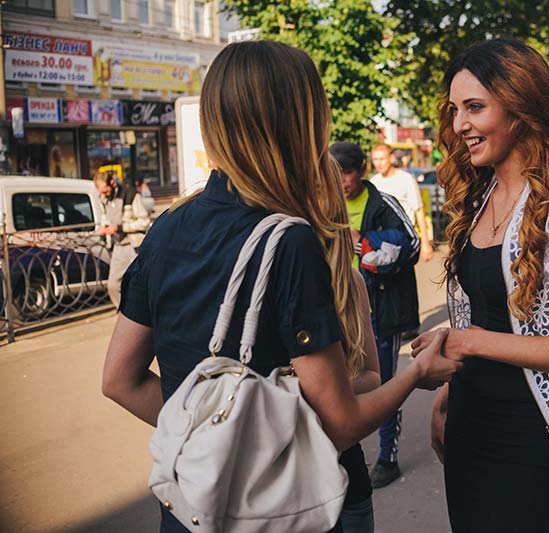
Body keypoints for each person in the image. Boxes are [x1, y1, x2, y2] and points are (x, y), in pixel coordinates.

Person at [100, 40, 461, 533]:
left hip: (195, 505)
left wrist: (212, 438)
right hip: (292, 509)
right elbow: (340, 421)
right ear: (300, 124)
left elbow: (119, 380)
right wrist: (416, 372)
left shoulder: (168, 226)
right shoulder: (289, 241)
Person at [411, 38, 549, 533]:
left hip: (532, 434)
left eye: (474, 107)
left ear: (520, 106)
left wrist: (465, 342)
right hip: (468, 423)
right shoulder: (480, 192)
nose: (460, 124)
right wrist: (448, 393)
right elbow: (481, 312)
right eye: (455, 110)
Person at [331, 142, 421, 490]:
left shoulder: (383, 204)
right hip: (337, 314)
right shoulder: (324, 204)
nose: (341, 181)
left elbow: (411, 243)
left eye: (347, 172)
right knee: (336, 386)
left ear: (361, 170)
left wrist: (363, 242)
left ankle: (387, 456)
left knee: (383, 384)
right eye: (334, 173)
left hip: (379, 313)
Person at [370, 144, 434, 262]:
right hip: (382, 242)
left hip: (404, 239)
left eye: (382, 159)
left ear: (391, 158)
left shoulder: (406, 179)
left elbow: (419, 210)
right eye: (375, 160)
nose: (379, 163)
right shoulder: (373, 182)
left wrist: (425, 243)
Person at [94, 171, 139, 309]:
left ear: (112, 183)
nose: (104, 194)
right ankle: (124, 313)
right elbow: (105, 219)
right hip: (118, 246)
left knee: (140, 283)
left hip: (134, 245)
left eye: (106, 190)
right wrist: (103, 227)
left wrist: (119, 228)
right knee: (113, 285)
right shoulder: (103, 200)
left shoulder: (130, 195)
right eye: (101, 192)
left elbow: (144, 221)